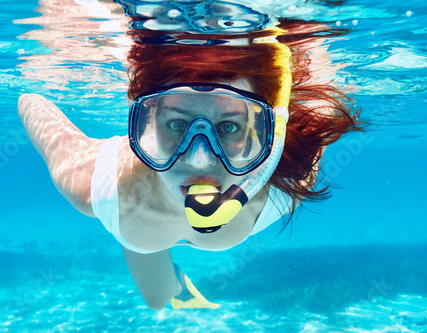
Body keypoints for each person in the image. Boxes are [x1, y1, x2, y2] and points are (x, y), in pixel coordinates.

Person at [18, 25, 361, 311]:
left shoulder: (284, 185)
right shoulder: (100, 186)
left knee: (156, 298)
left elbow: (324, 111)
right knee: (158, 299)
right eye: (175, 125)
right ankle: (178, 286)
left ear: (265, 134)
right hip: (134, 209)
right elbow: (30, 102)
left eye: (228, 127)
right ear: (145, 124)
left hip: (139, 214)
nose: (199, 160)